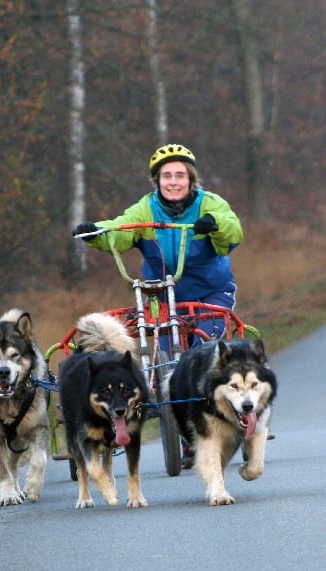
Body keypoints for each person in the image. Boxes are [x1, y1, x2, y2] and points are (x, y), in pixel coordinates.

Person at [72, 143, 244, 468]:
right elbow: (121, 230)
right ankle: (185, 435)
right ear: (157, 180)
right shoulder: (146, 209)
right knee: (165, 361)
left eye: (180, 175)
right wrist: (95, 232)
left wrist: (214, 224)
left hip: (210, 295)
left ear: (191, 179)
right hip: (162, 297)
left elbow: (232, 229)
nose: (174, 181)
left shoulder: (210, 203)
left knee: (204, 352)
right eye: (167, 176)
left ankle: (215, 426)